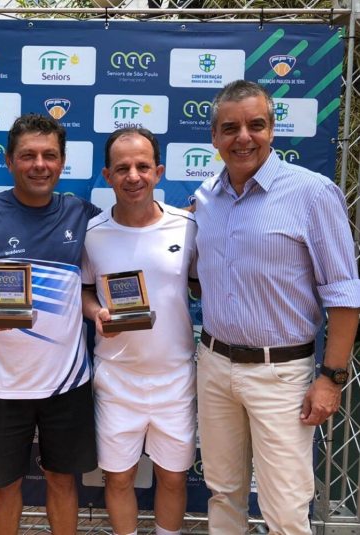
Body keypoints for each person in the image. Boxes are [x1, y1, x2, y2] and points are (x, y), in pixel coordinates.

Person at [194, 79, 360, 534]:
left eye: (256, 125)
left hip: (281, 375)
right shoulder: (205, 198)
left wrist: (331, 378)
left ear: (272, 130)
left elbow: (345, 295)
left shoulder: (313, 193)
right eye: (230, 128)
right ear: (214, 136)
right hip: (214, 366)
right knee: (223, 493)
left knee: (285, 509)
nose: (243, 137)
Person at [0, 113, 99, 535]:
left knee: (62, 479)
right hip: (2, 385)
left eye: (49, 155)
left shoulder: (81, 213)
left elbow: (133, 230)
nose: (39, 165)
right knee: (5, 485)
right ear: (9, 160)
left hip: (67, 383)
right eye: (28, 155)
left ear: (62, 161)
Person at [81, 128, 197, 535]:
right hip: (116, 378)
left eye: (143, 166)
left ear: (158, 172)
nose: (133, 176)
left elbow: (204, 283)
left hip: (175, 377)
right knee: (118, 478)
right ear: (107, 175)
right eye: (122, 168)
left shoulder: (187, 227)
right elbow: (85, 291)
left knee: (174, 478)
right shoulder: (93, 234)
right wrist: (96, 313)